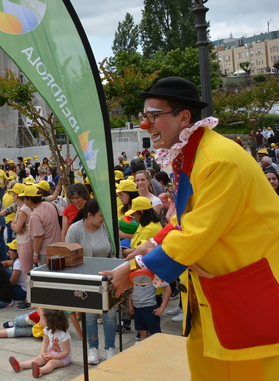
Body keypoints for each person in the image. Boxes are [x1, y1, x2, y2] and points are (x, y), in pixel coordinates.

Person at [102, 76, 279, 380]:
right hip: (223, 292)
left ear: (184, 117)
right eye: (145, 116)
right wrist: (145, 249)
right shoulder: (195, 155)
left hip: (254, 290)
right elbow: (184, 221)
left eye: (154, 115)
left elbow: (195, 233)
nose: (146, 124)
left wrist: (136, 270)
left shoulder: (217, 160)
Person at [65, 199, 116, 364]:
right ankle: (93, 348)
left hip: (108, 279)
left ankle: (110, 348)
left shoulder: (106, 227)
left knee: (110, 315)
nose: (103, 219)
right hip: (86, 279)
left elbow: (115, 253)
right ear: (89, 215)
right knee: (89, 316)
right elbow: (68, 256)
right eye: (100, 216)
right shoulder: (75, 229)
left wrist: (115, 272)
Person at [8, 309, 72, 377]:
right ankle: (20, 365)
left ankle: (40, 371)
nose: (42, 321)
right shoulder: (48, 330)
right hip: (52, 352)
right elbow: (45, 342)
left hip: (64, 357)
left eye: (45, 319)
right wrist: (43, 352)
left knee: (52, 363)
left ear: (52, 322)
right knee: (38, 358)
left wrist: (54, 357)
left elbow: (66, 351)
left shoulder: (63, 335)